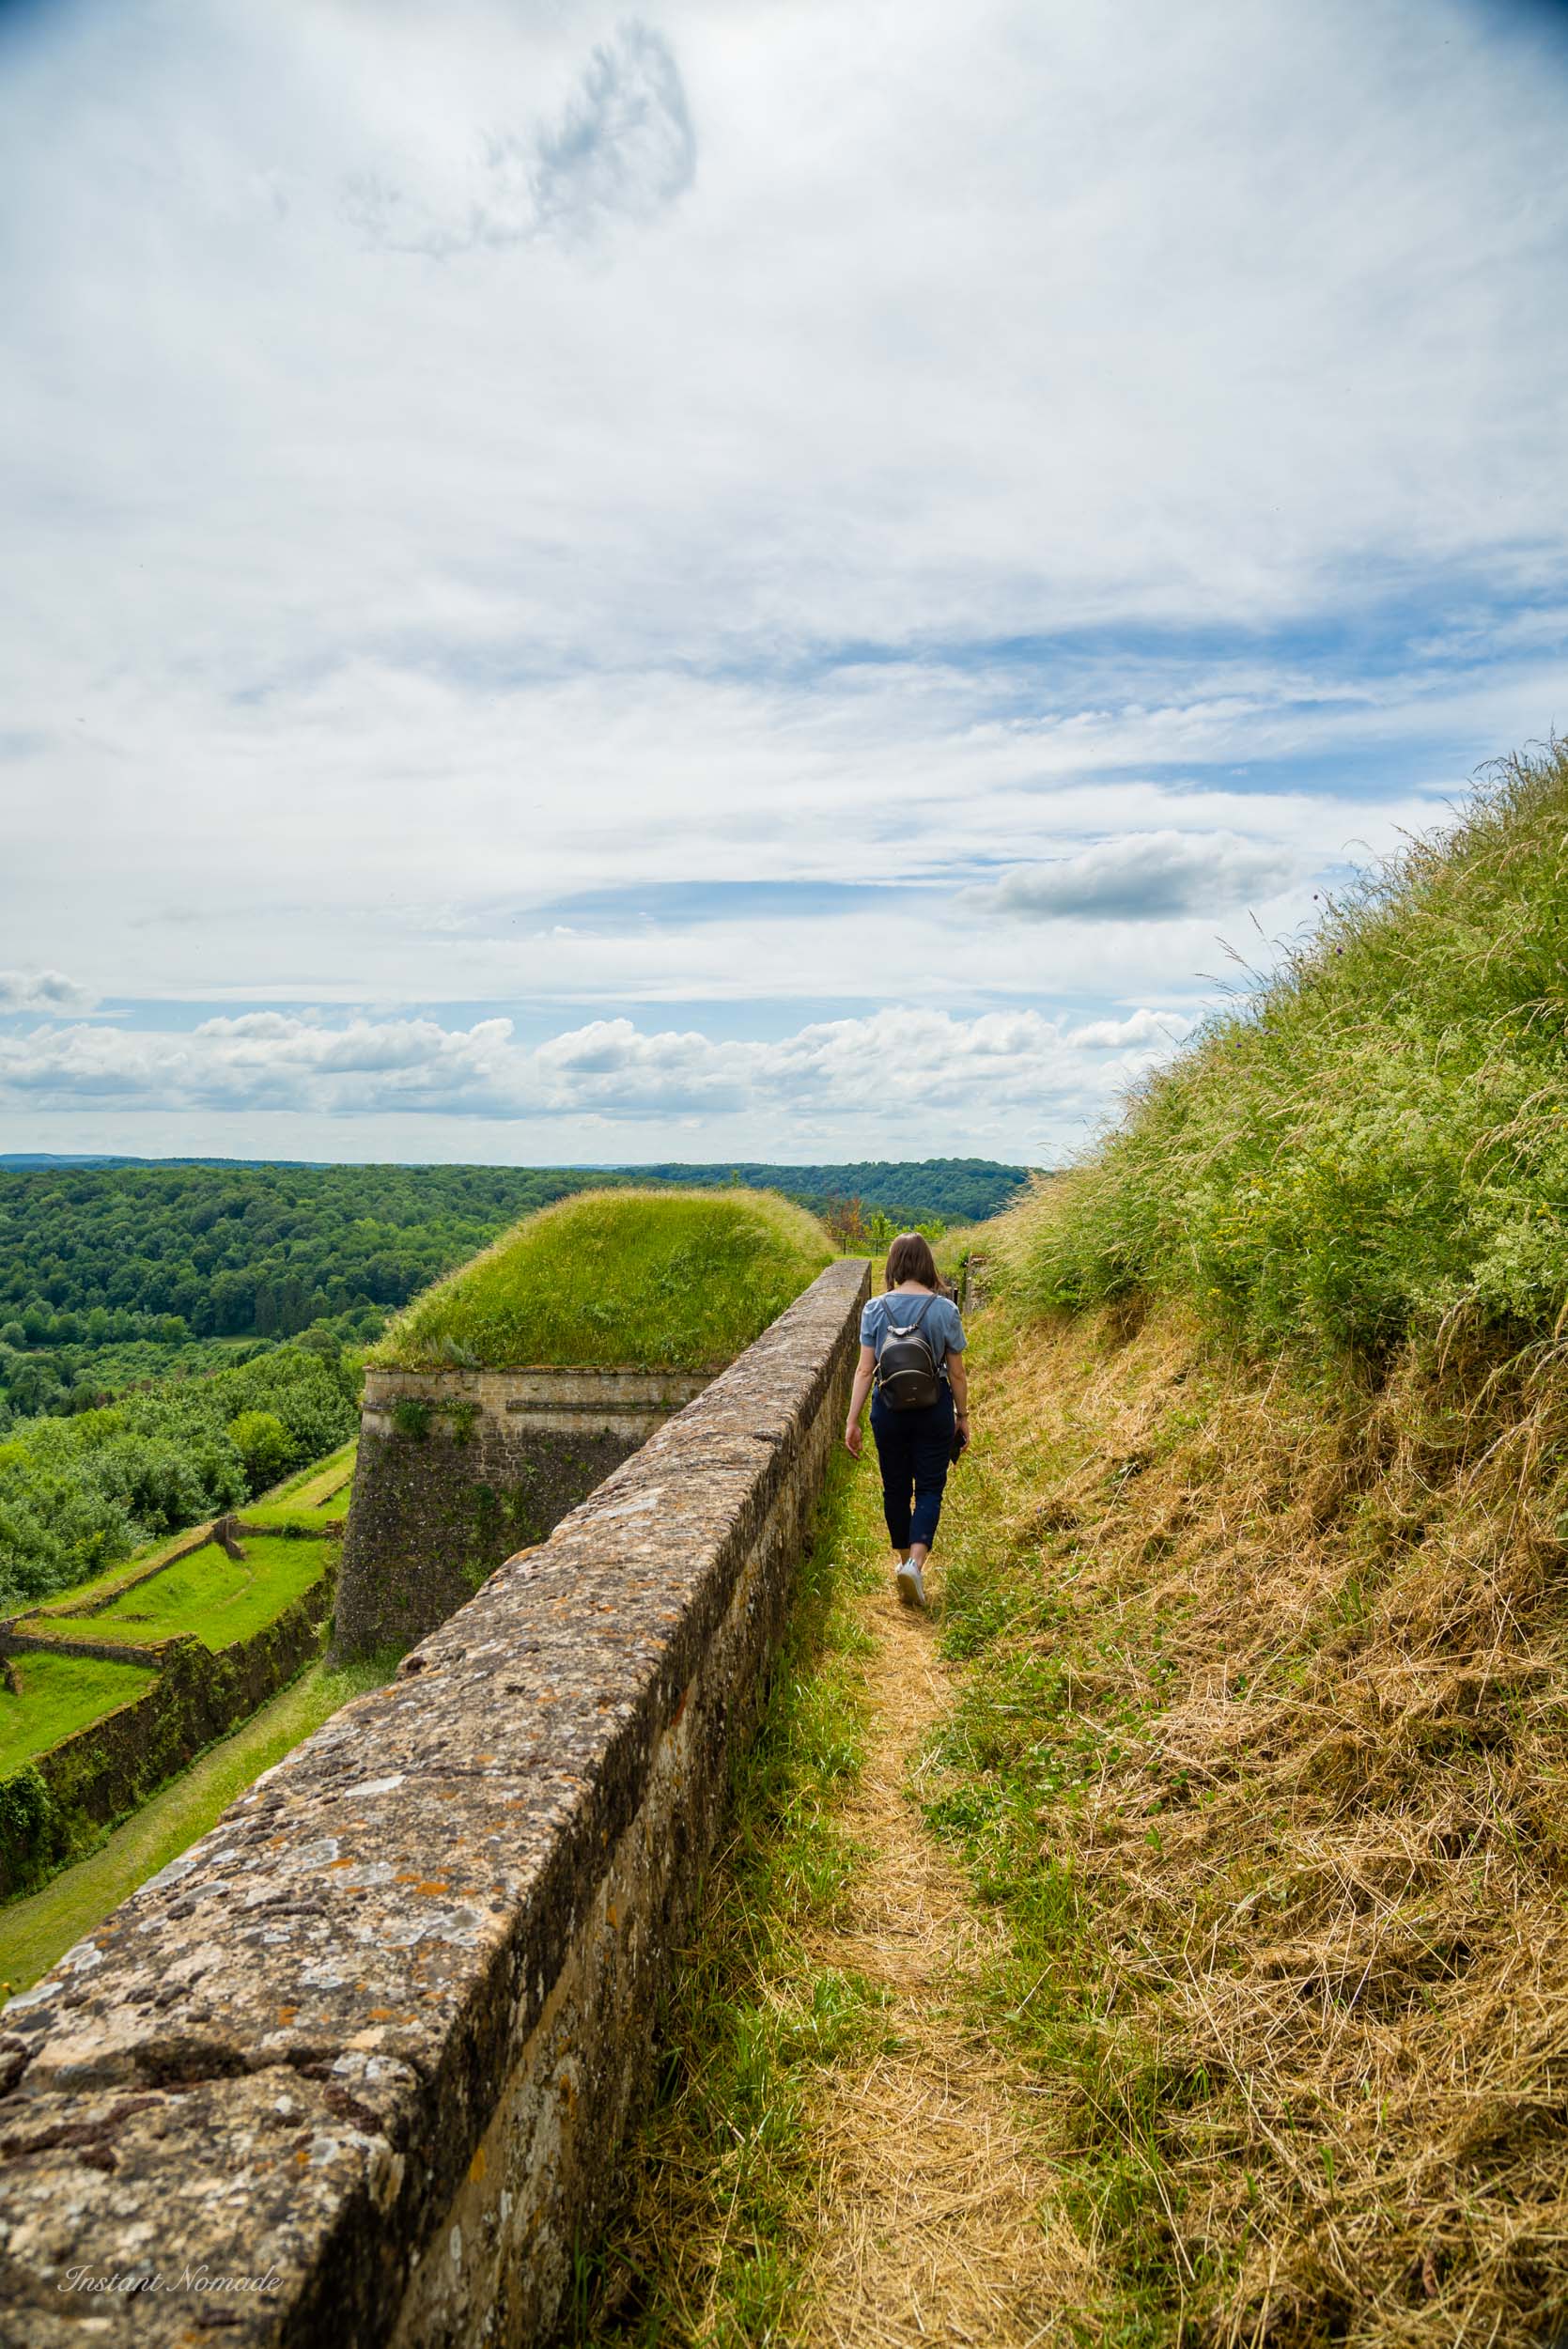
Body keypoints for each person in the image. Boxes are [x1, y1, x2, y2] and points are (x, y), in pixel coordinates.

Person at [844, 1232, 970, 1610]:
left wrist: (853, 1421)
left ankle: (903, 1564)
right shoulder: (945, 1309)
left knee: (895, 1489)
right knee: (930, 1488)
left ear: (895, 1265)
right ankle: (915, 1564)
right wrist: (962, 1417)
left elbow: (865, 1371)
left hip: (889, 1409)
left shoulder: (875, 1309)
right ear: (926, 1263)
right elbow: (958, 1373)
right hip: (934, 1410)